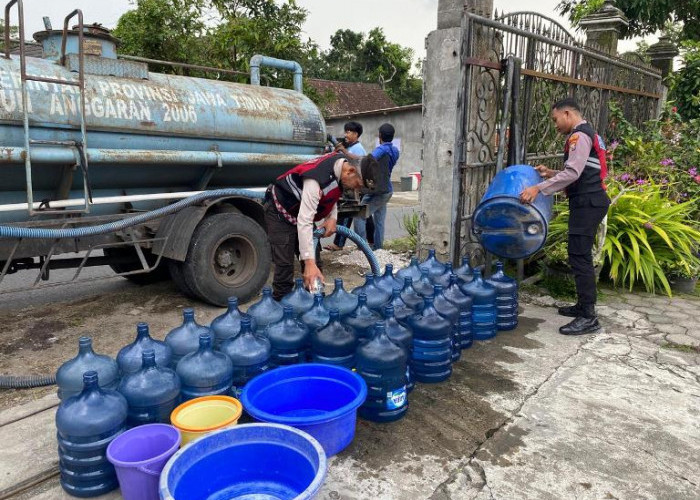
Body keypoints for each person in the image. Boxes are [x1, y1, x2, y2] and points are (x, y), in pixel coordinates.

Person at [519, 97, 610, 335]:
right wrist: (550, 173)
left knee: (580, 257)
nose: (555, 124)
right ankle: (582, 306)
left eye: (555, 119)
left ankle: (589, 317)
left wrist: (538, 188)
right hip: (590, 200)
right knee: (578, 254)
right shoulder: (590, 134)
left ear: (568, 113)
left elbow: (573, 172)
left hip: (588, 202)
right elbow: (580, 172)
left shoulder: (579, 136)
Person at [264, 151, 381, 300]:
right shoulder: (316, 179)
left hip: (302, 211)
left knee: (315, 263)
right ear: (351, 171)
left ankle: (315, 301)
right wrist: (308, 263)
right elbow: (305, 221)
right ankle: (282, 308)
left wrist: (332, 217)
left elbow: (332, 190)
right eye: (358, 185)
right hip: (280, 212)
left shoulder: (341, 168)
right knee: (285, 266)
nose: (357, 190)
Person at [353, 123, 400, 250]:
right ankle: (378, 248)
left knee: (359, 216)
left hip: (377, 191)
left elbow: (368, 161)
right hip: (387, 190)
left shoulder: (381, 149)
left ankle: (363, 248)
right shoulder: (395, 151)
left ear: (380, 136)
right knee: (379, 221)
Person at [324, 122, 367, 252]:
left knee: (346, 216)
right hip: (348, 187)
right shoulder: (351, 147)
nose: (346, 134)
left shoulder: (357, 148)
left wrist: (343, 151)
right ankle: (341, 243)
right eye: (346, 131)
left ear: (356, 134)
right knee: (344, 216)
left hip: (353, 188)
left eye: (348, 132)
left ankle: (345, 244)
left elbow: (357, 160)